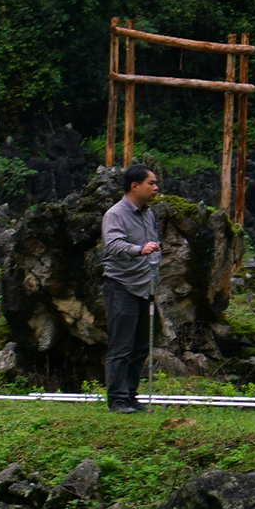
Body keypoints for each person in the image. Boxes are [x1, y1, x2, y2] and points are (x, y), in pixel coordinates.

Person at [98, 163, 162, 413]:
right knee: (121, 346)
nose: (156, 188)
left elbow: (152, 244)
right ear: (135, 186)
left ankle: (130, 396)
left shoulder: (148, 214)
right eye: (151, 183)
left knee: (140, 347)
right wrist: (139, 249)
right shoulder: (115, 214)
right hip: (121, 286)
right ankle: (117, 400)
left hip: (146, 287)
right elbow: (113, 245)